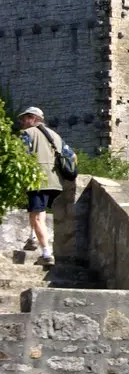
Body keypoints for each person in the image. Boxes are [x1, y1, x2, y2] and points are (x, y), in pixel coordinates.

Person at [17, 107, 65, 266]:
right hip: (55, 182)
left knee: (37, 216)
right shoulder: (56, 136)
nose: (22, 122)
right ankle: (32, 238)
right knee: (39, 212)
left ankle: (46, 254)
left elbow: (22, 156)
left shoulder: (27, 134)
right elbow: (70, 155)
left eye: (24, 119)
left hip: (38, 180)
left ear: (33, 118)